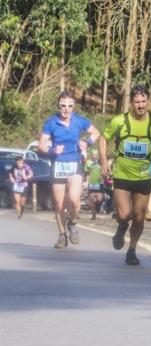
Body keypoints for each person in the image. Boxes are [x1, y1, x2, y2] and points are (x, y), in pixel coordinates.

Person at [100, 85, 151, 265]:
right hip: (122, 174)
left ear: (148, 101)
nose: (140, 105)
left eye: (143, 101)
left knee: (139, 217)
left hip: (144, 175)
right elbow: (103, 139)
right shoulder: (119, 121)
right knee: (124, 215)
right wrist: (104, 162)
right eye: (137, 101)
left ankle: (132, 250)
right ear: (131, 102)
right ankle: (122, 227)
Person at [38, 91, 100, 249]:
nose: (66, 109)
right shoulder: (51, 122)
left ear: (74, 106)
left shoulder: (79, 121)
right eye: (63, 106)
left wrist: (87, 143)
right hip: (58, 164)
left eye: (70, 106)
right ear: (58, 105)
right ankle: (62, 235)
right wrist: (52, 151)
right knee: (59, 204)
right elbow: (41, 145)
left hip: (74, 163)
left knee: (74, 199)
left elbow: (96, 132)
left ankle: (72, 223)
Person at [85, 149, 104, 220]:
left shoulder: (101, 162)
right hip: (91, 183)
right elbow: (86, 173)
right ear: (91, 155)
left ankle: (98, 208)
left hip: (99, 183)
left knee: (99, 199)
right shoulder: (88, 163)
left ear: (98, 155)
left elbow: (105, 172)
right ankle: (94, 215)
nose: (94, 156)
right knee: (91, 200)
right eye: (93, 154)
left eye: (96, 154)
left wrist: (103, 176)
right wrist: (87, 182)